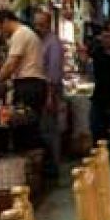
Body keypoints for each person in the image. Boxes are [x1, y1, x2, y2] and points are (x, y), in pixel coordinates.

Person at [0, 9, 47, 116]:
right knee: (30, 124)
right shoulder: (25, 32)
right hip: (34, 84)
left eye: (0, 27)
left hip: (28, 85)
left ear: (6, 21)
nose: (1, 32)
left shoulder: (20, 34)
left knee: (23, 124)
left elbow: (11, 64)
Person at [33, 11, 64, 178]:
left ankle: (53, 168)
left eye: (41, 25)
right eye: (36, 24)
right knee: (45, 129)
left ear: (49, 24)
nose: (38, 28)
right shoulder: (40, 42)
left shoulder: (53, 44)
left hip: (49, 92)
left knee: (49, 131)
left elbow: (53, 73)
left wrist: (50, 96)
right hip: (43, 91)